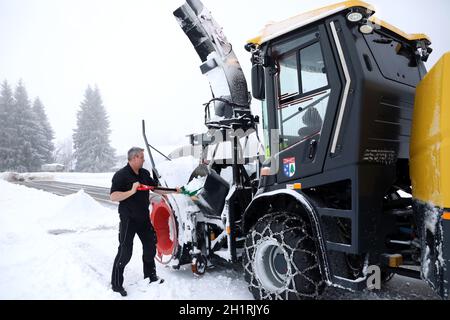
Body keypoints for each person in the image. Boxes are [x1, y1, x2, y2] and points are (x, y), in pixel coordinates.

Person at [110, 147, 180, 297]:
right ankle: (116, 285)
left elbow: (156, 189)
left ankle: (150, 276)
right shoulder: (121, 175)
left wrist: (174, 190)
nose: (143, 159)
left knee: (150, 246)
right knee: (125, 251)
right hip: (128, 219)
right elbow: (113, 196)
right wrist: (131, 191)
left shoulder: (144, 173)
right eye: (141, 157)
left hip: (143, 218)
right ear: (134, 158)